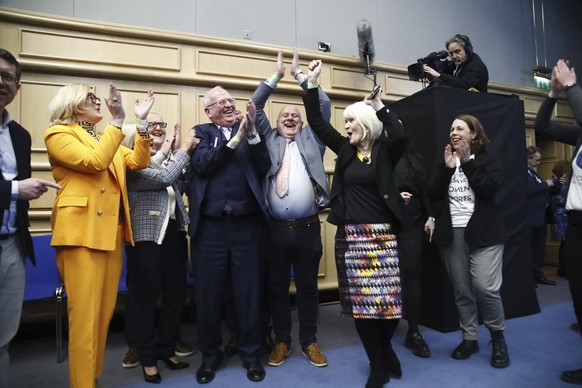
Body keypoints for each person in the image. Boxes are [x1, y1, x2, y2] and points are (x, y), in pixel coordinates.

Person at [302, 59, 407, 388]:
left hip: (383, 236)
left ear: (365, 122)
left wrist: (379, 106)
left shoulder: (385, 150)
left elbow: (400, 133)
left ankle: (386, 348)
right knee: (363, 309)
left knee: (390, 308)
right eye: (345, 122)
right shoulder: (345, 151)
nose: (346, 126)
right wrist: (312, 84)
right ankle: (378, 365)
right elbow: (317, 122)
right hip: (352, 238)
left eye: (350, 121)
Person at [44, 84, 153, 388]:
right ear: (72, 103)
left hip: (111, 235)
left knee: (102, 316)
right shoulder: (59, 134)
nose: (98, 102)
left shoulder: (103, 137)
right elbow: (94, 162)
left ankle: (89, 379)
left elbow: (139, 161)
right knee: (84, 321)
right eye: (90, 98)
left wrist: (140, 123)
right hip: (80, 235)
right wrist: (117, 123)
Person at [251, 50, 331, 368]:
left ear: (301, 122)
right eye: (284, 115)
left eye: (295, 116)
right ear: (277, 121)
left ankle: (309, 341)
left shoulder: (314, 138)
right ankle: (282, 341)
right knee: (277, 290)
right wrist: (278, 76)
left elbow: (322, 106)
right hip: (274, 232)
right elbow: (254, 105)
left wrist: (303, 78)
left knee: (309, 289)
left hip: (309, 228)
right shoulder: (268, 138)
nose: (290, 118)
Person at [187, 89, 271, 384]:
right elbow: (204, 164)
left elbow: (264, 166)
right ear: (208, 111)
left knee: (249, 294)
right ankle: (210, 356)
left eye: (230, 100)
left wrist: (250, 136)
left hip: (247, 228)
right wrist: (236, 139)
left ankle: (251, 355)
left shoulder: (247, 131)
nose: (228, 105)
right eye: (220, 102)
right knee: (208, 297)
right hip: (210, 230)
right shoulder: (201, 133)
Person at [427, 114, 509, 369]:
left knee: (485, 288)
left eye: (460, 128)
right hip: (453, 234)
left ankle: (497, 338)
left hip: (485, 233)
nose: (454, 132)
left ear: (474, 134)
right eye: (451, 128)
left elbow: (488, 190)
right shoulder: (445, 161)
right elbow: (432, 194)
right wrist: (446, 169)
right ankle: (470, 338)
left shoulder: (489, 159)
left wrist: (466, 163)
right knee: (462, 291)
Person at [0, 48, 60, 388]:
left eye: (8, 77)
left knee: (4, 337)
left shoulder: (20, 135)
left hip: (11, 247)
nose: (1, 82)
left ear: (17, 88)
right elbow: (14, 189)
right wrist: (13, 190)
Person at [125, 113, 199, 383]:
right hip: (146, 239)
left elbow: (177, 180)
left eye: (160, 128)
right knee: (146, 298)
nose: (156, 133)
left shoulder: (163, 161)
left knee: (176, 294)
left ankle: (166, 349)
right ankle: (147, 357)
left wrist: (173, 153)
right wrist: (184, 149)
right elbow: (166, 176)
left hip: (173, 235)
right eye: (148, 132)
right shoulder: (131, 165)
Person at [533, 58, 582, 385]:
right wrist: (552, 93)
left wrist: (572, 87)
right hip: (578, 225)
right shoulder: (579, 134)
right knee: (579, 296)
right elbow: (543, 128)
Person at [393, 145, 435, 358]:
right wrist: (395, 195)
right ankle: (384, 330)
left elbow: (424, 189)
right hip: (386, 222)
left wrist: (431, 216)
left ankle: (414, 332)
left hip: (412, 224)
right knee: (388, 279)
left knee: (411, 276)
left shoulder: (414, 157)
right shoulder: (376, 154)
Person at [526, 145, 557, 285]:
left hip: (541, 217)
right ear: (528, 159)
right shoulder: (523, 173)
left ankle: (538, 275)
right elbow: (529, 190)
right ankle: (531, 278)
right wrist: (546, 183)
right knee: (532, 250)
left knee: (539, 249)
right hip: (531, 218)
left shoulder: (534, 173)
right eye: (536, 160)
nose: (538, 163)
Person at [423, 34, 489, 92]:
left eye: (457, 51)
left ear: (467, 50)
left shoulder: (476, 66)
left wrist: (439, 75)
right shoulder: (460, 64)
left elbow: (464, 85)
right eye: (451, 54)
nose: (454, 56)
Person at [549, 159, 571, 277]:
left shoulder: (564, 181)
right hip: (560, 216)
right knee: (565, 244)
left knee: (565, 244)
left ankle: (563, 269)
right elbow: (559, 199)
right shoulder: (555, 182)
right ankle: (564, 270)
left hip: (563, 216)